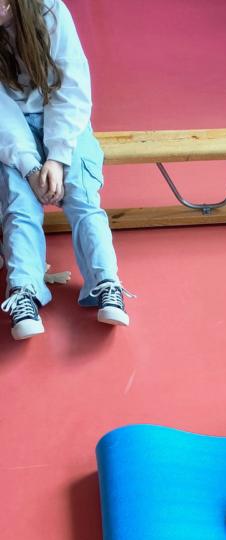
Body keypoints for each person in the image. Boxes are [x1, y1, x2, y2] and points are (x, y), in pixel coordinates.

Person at [0, 0, 132, 341]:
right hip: (11, 132)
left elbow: (71, 87)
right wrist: (30, 166)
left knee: (81, 195)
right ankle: (24, 290)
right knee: (19, 203)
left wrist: (58, 157)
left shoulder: (50, 11)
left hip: (64, 120)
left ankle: (106, 283)